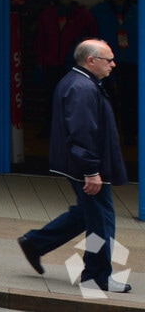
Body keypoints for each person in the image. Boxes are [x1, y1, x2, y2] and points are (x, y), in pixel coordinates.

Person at [20, 38, 131, 293]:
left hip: (83, 166)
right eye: (108, 59)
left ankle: (36, 242)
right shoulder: (82, 88)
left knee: (88, 214)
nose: (113, 64)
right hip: (87, 168)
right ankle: (97, 276)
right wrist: (91, 171)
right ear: (91, 61)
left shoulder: (80, 81)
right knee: (101, 222)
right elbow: (81, 134)